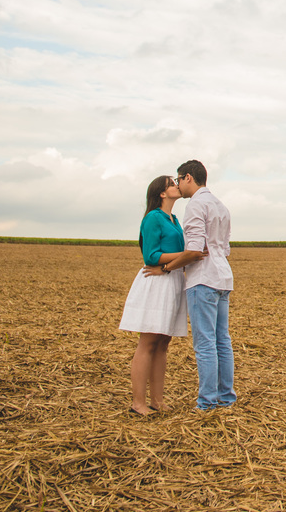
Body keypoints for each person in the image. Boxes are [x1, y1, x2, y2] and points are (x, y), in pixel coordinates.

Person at [118, 175, 204, 416]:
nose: (177, 185)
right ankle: (138, 403)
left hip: (172, 279)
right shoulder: (153, 218)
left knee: (163, 343)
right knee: (148, 342)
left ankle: (157, 400)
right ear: (162, 193)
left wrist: (184, 257)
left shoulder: (173, 219)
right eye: (171, 183)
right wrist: (187, 253)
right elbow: (151, 256)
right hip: (156, 281)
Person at [176, 159, 236, 410]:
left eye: (178, 179)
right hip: (223, 277)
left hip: (203, 278)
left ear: (189, 177)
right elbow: (226, 248)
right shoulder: (220, 206)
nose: (177, 184)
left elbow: (195, 248)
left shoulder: (195, 205)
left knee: (205, 343)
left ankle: (207, 402)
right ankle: (226, 396)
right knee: (222, 339)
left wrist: (170, 266)